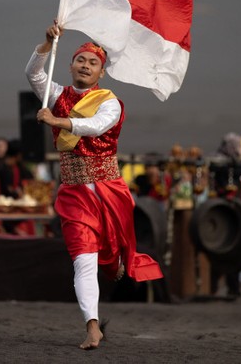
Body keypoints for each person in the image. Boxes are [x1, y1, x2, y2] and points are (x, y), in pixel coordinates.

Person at [27, 22, 162, 350]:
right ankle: (92, 326)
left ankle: (113, 258)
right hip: (73, 193)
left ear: (101, 72)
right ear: (71, 65)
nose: (85, 66)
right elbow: (33, 74)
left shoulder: (110, 103)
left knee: (109, 254)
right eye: (80, 60)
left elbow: (94, 127)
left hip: (107, 191)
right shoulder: (57, 95)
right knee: (83, 259)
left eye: (92, 62)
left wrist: (57, 121)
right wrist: (46, 43)